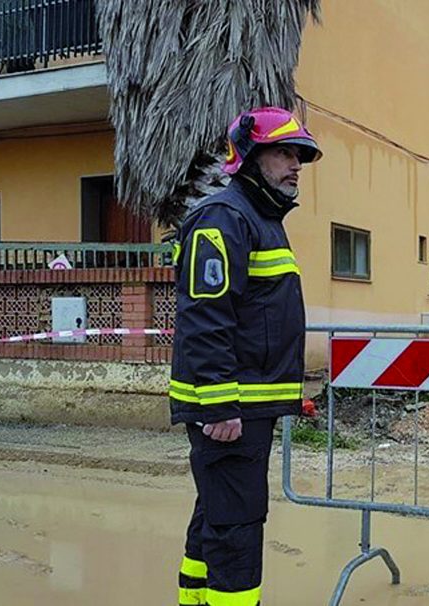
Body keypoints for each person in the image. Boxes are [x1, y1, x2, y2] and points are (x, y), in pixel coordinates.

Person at [170, 107, 322, 606]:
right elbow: (206, 315)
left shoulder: (260, 218)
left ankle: (194, 599)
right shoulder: (225, 217)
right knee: (237, 529)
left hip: (247, 406)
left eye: (299, 154)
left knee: (218, 511)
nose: (295, 164)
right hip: (230, 408)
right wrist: (219, 405)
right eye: (283, 153)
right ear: (251, 157)